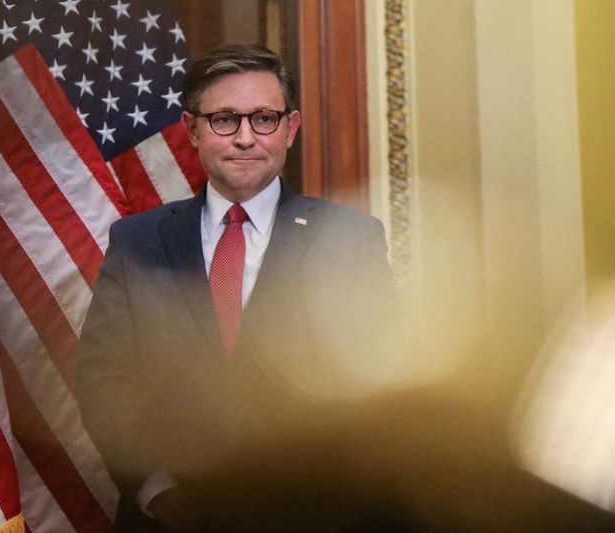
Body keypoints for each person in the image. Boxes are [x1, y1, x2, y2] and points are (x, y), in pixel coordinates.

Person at [76, 43, 401, 531]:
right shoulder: (138, 241)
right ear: (192, 130)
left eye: (264, 119)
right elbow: (104, 382)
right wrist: (158, 491)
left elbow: (380, 386)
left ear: (290, 128)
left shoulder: (351, 238)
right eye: (225, 119)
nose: (246, 138)